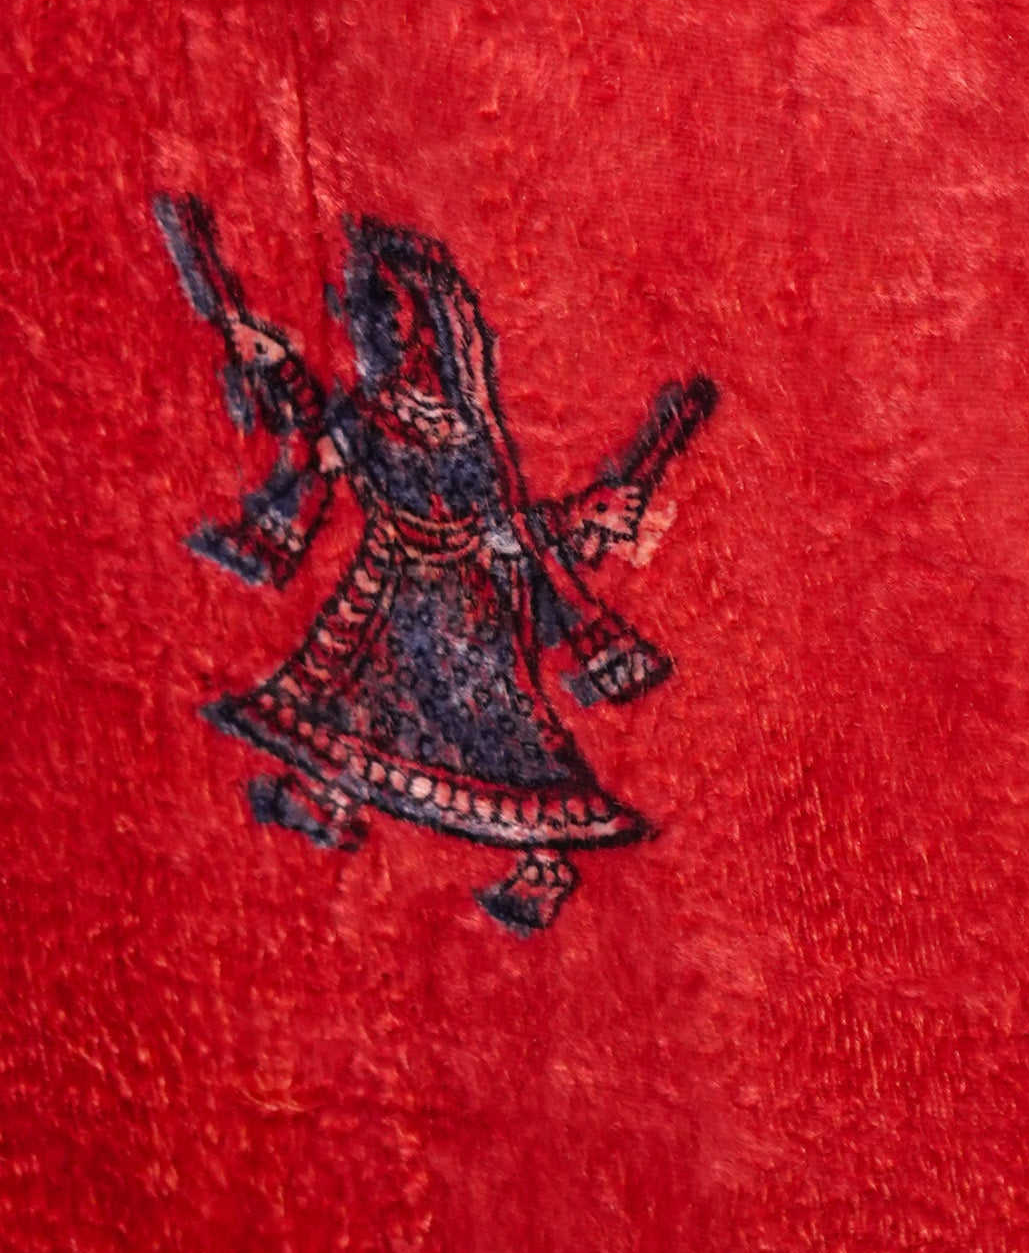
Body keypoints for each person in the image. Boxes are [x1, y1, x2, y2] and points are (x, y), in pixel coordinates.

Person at [160, 204, 709, 932]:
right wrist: (278, 361)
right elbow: (325, 442)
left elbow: (499, 531)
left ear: (437, 325)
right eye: (381, 308)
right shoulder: (371, 413)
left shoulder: (466, 433)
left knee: (501, 746)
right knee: (350, 707)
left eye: (406, 311)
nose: (397, 328)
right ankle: (330, 800)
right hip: (389, 597)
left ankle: (544, 863)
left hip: (469, 619)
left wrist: (580, 515)